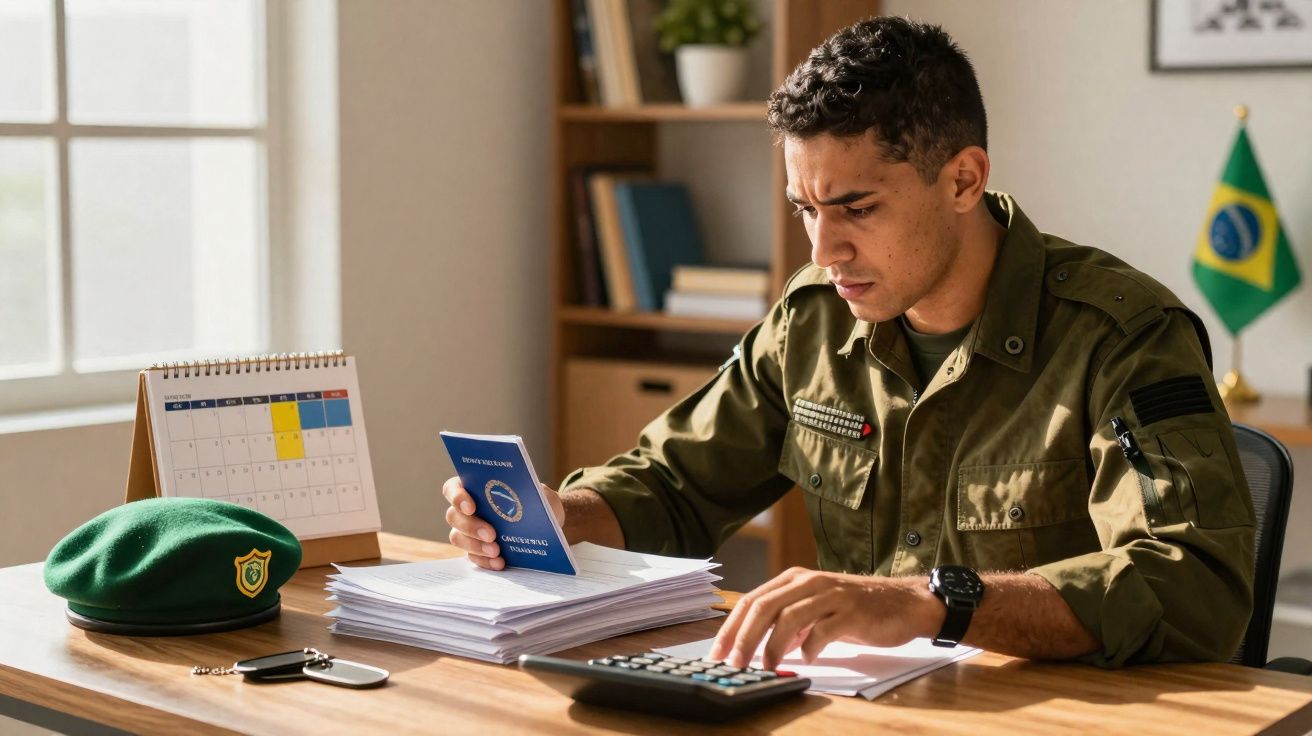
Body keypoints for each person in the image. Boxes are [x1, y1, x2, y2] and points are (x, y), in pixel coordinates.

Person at [443, 16, 1255, 670]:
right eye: (805, 208)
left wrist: (932, 603)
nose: (821, 251)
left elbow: (1195, 589)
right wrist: (563, 515)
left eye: (856, 209)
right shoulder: (816, 319)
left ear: (964, 179)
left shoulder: (1122, 337)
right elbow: (675, 486)